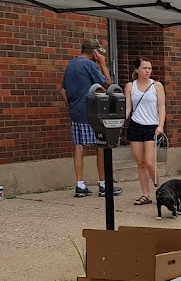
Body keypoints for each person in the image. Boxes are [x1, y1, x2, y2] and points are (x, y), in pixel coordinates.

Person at [59, 38, 121, 198]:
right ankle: (104, 184)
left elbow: (62, 90)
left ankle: (80, 185)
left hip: (76, 113)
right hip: (92, 112)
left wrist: (71, 106)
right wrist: (102, 63)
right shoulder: (90, 65)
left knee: (79, 147)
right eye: (98, 52)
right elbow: (109, 84)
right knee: (101, 146)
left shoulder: (71, 65)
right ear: (94, 52)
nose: (100, 54)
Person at [123, 57, 165, 206]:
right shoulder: (130, 86)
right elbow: (128, 107)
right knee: (140, 162)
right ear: (137, 70)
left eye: (149, 68)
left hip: (151, 126)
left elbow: (161, 107)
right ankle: (145, 194)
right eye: (144, 68)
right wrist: (122, 120)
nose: (147, 71)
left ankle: (160, 190)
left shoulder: (157, 85)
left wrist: (160, 125)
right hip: (135, 125)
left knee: (149, 161)